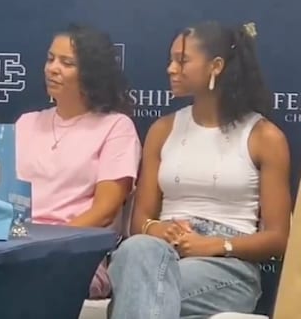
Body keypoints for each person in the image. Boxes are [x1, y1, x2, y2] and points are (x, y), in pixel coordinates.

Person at [108, 22, 291, 319]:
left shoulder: (264, 137)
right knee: (137, 252)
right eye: (171, 60)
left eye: (182, 61)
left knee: (140, 286)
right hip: (161, 251)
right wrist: (158, 229)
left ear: (216, 66)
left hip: (228, 267)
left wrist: (214, 245)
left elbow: (277, 238)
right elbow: (140, 220)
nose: (170, 69)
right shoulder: (162, 130)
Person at [15, 24, 141, 299]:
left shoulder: (116, 127)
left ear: (90, 73)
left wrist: (45, 243)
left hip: (76, 254)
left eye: (67, 63)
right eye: (50, 59)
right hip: (15, 247)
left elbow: (105, 211)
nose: (53, 68)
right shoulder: (26, 123)